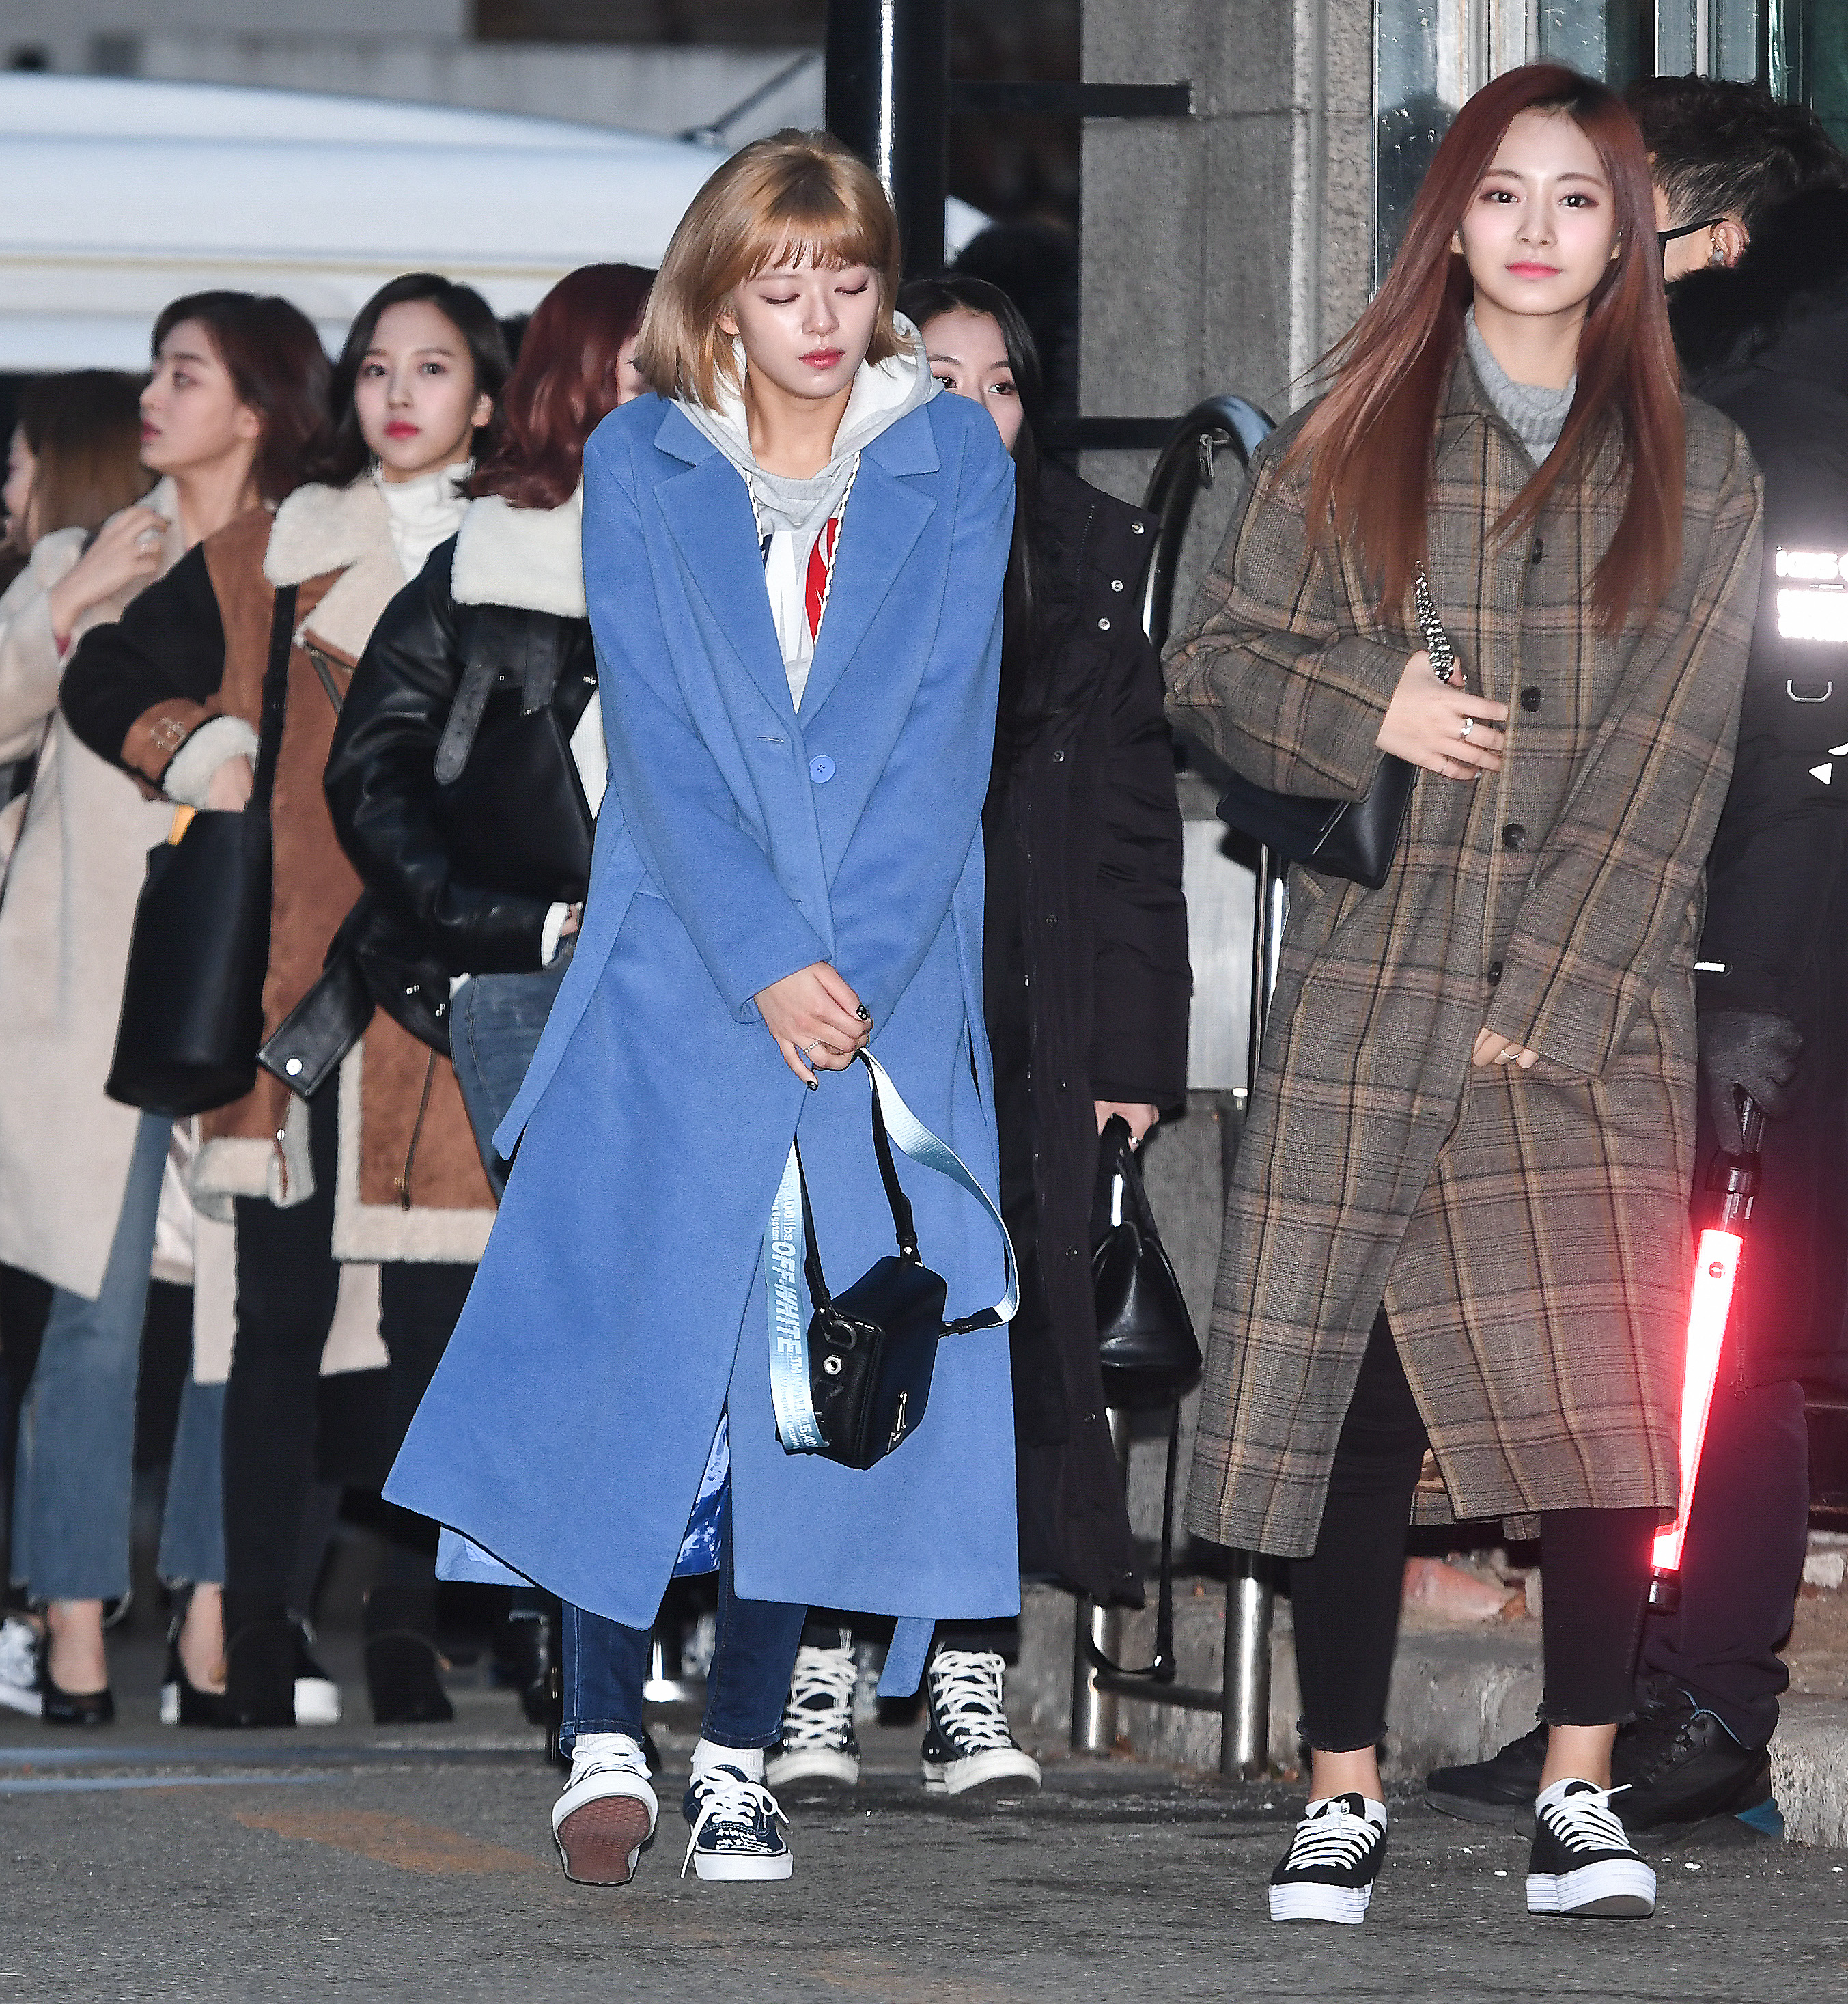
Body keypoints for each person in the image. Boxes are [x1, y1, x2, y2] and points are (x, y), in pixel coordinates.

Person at [382, 130, 1018, 1890]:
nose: (819, 315)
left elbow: (948, 738)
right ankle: (602, 1734)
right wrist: (764, 958)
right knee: (626, 1352)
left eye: (849, 279)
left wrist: (847, 975)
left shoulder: (951, 455)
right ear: (718, 298)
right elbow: (654, 741)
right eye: (780, 282)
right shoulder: (645, 456)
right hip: (677, 971)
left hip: (876, 984)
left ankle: (737, 1757)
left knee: (811, 1377)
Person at [1164, 65, 1761, 1925]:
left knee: (1599, 1418)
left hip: (1584, 1005)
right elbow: (1210, 660)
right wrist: (1373, 704)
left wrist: (1557, 991)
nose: (1536, 228)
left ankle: (1579, 1785)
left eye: (1576, 198)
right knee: (1346, 1405)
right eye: (1501, 193)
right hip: (1374, 982)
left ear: (1628, 235)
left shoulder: (1702, 465)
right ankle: (1339, 1788)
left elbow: (1678, 756)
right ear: (1449, 222)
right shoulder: (1348, 434)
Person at [1431, 83, 1848, 1840]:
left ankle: (1706, 1705)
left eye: (1616, 201)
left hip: (1753, 964)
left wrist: (1743, 995)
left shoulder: (1787, 437)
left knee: (1716, 1339)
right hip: (1654, 951)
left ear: (1716, 234)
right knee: (1631, 1331)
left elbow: (1808, 744)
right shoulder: (1668, 416)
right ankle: (1617, 1700)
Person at [61, 274, 509, 1730]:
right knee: (277, 1331)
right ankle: (256, 1628)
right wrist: (198, 747)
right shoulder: (281, 549)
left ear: (485, 398)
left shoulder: (533, 553)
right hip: (302, 999)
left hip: (451, 1004)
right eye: (377, 366)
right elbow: (109, 669)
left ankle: (407, 1618)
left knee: (440, 1334)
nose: (399, 393)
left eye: (431, 368)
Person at [765, 273, 1189, 1799]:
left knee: (1002, 1339)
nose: (970, 410)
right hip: (865, 1009)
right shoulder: (817, 548)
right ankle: (818, 1660)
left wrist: (1134, 1061)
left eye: (999, 384)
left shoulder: (1089, 564)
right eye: (934, 380)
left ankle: (964, 1665)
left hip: (1033, 1018)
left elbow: (1135, 833)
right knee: (849, 1318)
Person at [323, 261, 655, 1725]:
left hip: (691, 980)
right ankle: (561, 1625)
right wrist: (507, 924)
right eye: (643, 360)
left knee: (650, 1306)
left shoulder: (731, 537)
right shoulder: (487, 559)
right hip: (529, 980)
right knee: (574, 1300)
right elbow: (371, 776)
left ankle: (607, 1617)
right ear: (579, 377)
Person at [0, 310, 328, 1726]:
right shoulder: (89, 556)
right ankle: (73, 1620)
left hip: (240, 981)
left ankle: (209, 1611)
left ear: (253, 409)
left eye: (183, 374)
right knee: (93, 1308)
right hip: (87, 996)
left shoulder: (304, 566)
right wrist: (68, 606)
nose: (151, 393)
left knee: (232, 1318)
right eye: (154, 370)